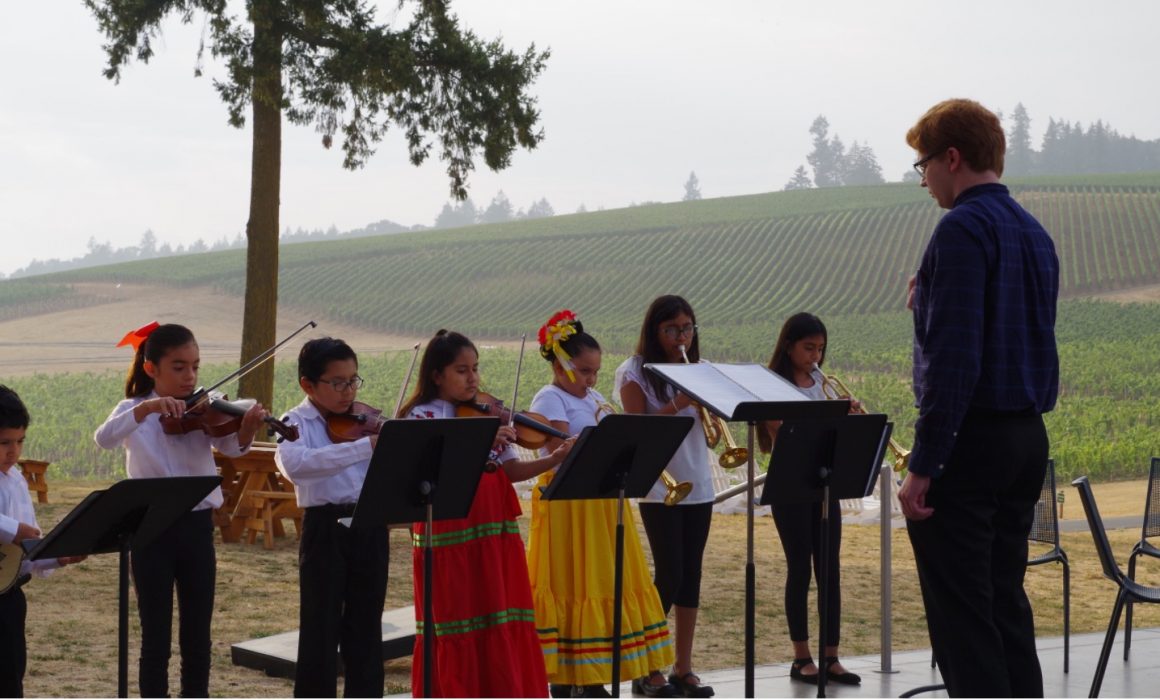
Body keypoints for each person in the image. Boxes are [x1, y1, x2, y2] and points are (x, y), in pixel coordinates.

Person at [898, 98, 1059, 698]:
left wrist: (923, 466)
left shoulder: (961, 227)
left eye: (924, 165)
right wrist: (933, 295)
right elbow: (1013, 329)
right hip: (1025, 436)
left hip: (970, 442)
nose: (924, 180)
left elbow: (956, 362)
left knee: (964, 617)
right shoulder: (1033, 231)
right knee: (1003, 601)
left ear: (953, 158)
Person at [396, 329, 574, 697]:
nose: (473, 378)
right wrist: (475, 445)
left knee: (502, 612)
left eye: (475, 368)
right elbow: (419, 474)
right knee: (456, 616)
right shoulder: (421, 415)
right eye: (462, 370)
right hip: (448, 533)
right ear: (436, 375)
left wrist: (552, 459)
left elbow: (509, 471)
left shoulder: (486, 412)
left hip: (494, 529)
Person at [94, 322, 267, 698]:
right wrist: (148, 408)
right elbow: (104, 438)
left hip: (196, 527)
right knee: (155, 635)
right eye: (179, 366)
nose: (190, 376)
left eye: (195, 366)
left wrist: (247, 428)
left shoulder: (204, 407)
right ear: (151, 368)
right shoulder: (132, 409)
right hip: (150, 529)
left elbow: (234, 450)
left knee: (197, 634)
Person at [527, 310, 674, 699]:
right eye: (585, 370)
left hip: (603, 501)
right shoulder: (550, 397)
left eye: (595, 371)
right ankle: (577, 676)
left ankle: (607, 669)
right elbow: (555, 447)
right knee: (577, 581)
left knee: (610, 580)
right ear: (561, 365)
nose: (592, 379)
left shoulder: (592, 397)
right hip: (571, 506)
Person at [275, 337, 390, 698]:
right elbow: (297, 466)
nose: (348, 391)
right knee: (320, 628)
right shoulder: (294, 422)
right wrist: (364, 447)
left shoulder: (366, 421)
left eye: (354, 380)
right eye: (338, 382)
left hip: (369, 523)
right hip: (324, 527)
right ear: (308, 385)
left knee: (367, 627)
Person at [614, 295, 715, 699]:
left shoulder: (698, 369)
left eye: (687, 328)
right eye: (671, 330)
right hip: (661, 484)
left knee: (691, 576)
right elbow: (638, 427)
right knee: (669, 574)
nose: (681, 338)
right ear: (654, 332)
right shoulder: (634, 371)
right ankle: (646, 667)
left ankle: (682, 668)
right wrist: (681, 401)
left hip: (699, 482)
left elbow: (710, 426)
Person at [757, 313, 860, 686]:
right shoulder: (772, 384)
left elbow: (832, 434)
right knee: (799, 567)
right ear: (789, 346)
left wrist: (847, 415)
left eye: (820, 348)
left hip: (823, 483)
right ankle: (801, 657)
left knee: (829, 569)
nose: (816, 356)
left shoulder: (820, 382)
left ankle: (831, 655)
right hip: (791, 485)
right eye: (808, 348)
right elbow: (780, 430)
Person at [0, 385, 83, 698]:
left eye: (20, 441)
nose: (14, 452)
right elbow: (16, 531)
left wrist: (56, 556)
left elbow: (28, 543)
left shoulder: (17, 480)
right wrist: (11, 528)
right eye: (4, 442)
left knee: (9, 679)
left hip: (8, 599)